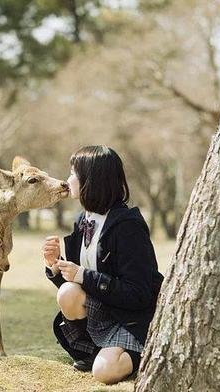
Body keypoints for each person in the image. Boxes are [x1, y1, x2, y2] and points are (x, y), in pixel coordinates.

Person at [42, 145, 164, 384]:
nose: (68, 179)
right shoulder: (82, 219)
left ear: (92, 180)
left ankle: (145, 352)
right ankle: (89, 353)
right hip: (101, 310)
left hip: (131, 318)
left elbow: (139, 294)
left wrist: (82, 275)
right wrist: (55, 266)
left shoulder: (128, 226)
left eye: (73, 173)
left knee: (105, 373)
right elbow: (78, 281)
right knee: (67, 292)